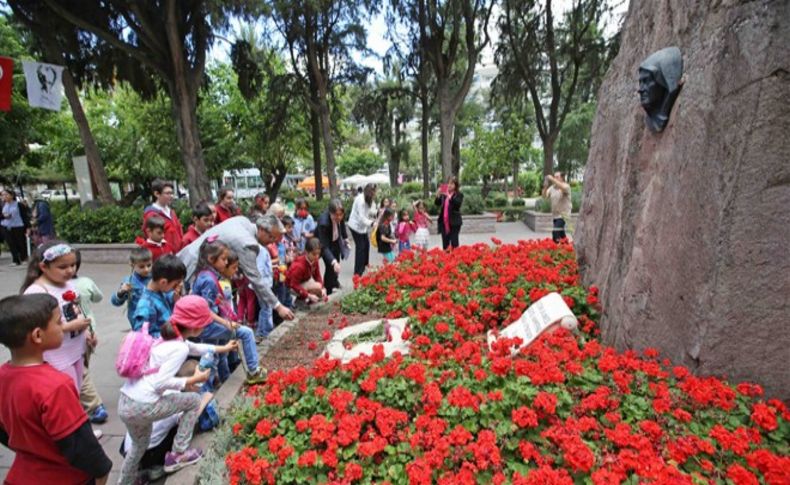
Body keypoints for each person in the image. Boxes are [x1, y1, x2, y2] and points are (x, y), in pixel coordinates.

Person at [118, 296, 238, 484]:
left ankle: (125, 481)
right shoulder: (179, 348)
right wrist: (193, 379)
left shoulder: (166, 339)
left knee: (138, 446)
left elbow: (196, 347)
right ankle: (178, 455)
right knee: (193, 401)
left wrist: (223, 348)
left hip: (126, 403)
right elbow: (160, 383)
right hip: (144, 405)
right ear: (195, 326)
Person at [0, 294, 112, 485]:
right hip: (63, 477)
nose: (63, 327)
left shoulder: (3, 375)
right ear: (37, 335)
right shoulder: (55, 385)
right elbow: (81, 444)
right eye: (58, 322)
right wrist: (102, 471)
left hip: (22, 474)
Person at [177, 214, 295, 323]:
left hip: (191, 257)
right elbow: (256, 279)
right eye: (271, 237)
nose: (272, 242)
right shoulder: (247, 243)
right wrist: (278, 306)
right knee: (191, 311)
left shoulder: (242, 221)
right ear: (262, 230)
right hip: (193, 267)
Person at [119, 359, 215, 483]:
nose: (201, 389)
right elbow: (189, 418)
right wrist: (204, 400)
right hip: (149, 453)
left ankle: (138, 472)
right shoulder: (178, 400)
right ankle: (173, 458)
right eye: (200, 384)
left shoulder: (165, 385)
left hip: (129, 449)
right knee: (184, 425)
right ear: (191, 384)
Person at [191, 238, 267, 384]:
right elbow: (205, 310)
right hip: (207, 324)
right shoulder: (209, 280)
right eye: (224, 259)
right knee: (246, 333)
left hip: (205, 323)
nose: (226, 262)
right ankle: (253, 370)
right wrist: (226, 323)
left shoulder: (205, 274)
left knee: (213, 354)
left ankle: (212, 383)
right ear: (211, 259)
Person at [20, 242, 91, 393]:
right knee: (66, 393)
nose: (70, 270)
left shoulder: (68, 284)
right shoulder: (36, 291)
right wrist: (68, 327)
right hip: (56, 357)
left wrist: (86, 332)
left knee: (76, 391)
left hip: (75, 350)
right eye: (63, 267)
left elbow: (76, 310)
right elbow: (36, 330)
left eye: (73, 265)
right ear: (44, 267)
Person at [71, 250, 108, 425]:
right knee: (83, 368)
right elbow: (98, 297)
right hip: (89, 329)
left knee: (81, 371)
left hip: (80, 332)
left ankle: (94, 406)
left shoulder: (64, 288)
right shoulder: (85, 282)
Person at [132, 254, 186, 337]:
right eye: (176, 283)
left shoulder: (161, 290)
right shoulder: (146, 307)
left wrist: (175, 298)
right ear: (163, 282)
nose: (179, 285)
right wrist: (171, 334)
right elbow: (141, 337)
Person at [112, 247, 154, 329]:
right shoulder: (129, 282)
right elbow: (115, 302)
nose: (146, 269)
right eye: (141, 267)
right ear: (132, 264)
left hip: (155, 319)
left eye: (149, 265)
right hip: (137, 321)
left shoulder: (155, 278)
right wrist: (121, 293)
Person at [316, 199, 349, 295]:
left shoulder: (340, 216)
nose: (339, 217)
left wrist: (345, 238)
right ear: (330, 213)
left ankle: (334, 283)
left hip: (335, 240)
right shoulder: (323, 223)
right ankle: (328, 290)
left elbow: (342, 225)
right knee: (330, 266)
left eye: (340, 215)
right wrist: (333, 262)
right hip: (324, 243)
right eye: (336, 215)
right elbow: (324, 246)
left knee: (336, 264)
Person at [142, 179, 184, 251]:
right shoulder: (151, 214)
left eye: (172, 193)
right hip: (163, 255)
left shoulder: (172, 212)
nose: (171, 196)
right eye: (167, 193)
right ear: (157, 194)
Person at [286, 237, 327, 304]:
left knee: (320, 288)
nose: (317, 256)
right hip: (290, 285)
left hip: (303, 280)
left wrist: (323, 288)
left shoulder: (314, 260)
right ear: (306, 252)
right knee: (317, 287)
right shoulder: (299, 266)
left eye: (318, 254)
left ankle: (306, 300)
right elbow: (293, 284)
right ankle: (301, 301)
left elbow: (317, 276)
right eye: (314, 254)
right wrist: (308, 295)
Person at [347, 183, 377, 276]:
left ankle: (364, 266)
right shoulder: (360, 200)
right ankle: (358, 271)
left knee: (366, 245)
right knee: (360, 247)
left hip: (362, 227)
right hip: (355, 226)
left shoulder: (369, 199)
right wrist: (372, 223)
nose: (374, 194)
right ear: (369, 192)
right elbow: (361, 218)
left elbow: (371, 211)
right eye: (373, 192)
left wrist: (377, 212)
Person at [434, 176, 464, 250]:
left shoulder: (458, 194)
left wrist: (450, 197)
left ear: (456, 185)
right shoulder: (444, 194)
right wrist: (438, 195)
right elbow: (437, 203)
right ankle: (446, 259)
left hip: (454, 222)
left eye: (452, 183)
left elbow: (457, 204)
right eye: (448, 183)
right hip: (444, 222)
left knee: (454, 243)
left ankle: (455, 259)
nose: (449, 185)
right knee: (445, 244)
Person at [542, 171, 572, 243]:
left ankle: (555, 249)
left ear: (562, 178)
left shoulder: (566, 186)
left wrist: (552, 179)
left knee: (555, 232)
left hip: (564, 215)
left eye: (557, 177)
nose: (555, 178)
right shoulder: (552, 188)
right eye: (554, 176)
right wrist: (545, 186)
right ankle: (568, 248)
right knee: (561, 234)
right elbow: (544, 196)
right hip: (555, 215)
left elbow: (562, 187)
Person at [1, 189, 29, 265]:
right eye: (3, 195)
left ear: (12, 195)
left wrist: (28, 227)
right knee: (11, 243)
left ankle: (24, 258)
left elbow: (25, 215)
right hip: (6, 226)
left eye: (6, 194)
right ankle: (15, 260)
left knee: (20, 243)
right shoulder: (2, 205)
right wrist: (4, 216)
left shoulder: (19, 204)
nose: (4, 196)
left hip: (18, 226)